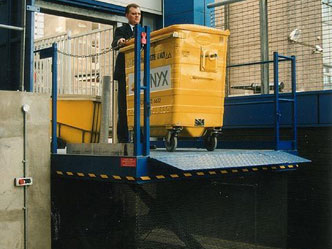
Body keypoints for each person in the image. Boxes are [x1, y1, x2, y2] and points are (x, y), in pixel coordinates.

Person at [112, 3, 141, 143]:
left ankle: (140, 140)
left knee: (141, 106)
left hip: (139, 74)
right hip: (124, 74)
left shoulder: (144, 30)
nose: (137, 16)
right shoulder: (121, 30)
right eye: (134, 13)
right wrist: (120, 41)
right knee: (124, 107)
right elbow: (115, 44)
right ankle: (123, 139)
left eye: (138, 14)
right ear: (127, 15)